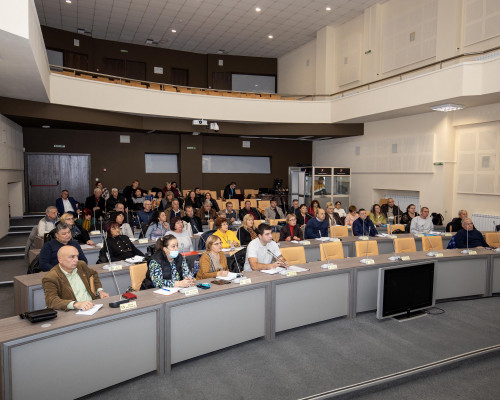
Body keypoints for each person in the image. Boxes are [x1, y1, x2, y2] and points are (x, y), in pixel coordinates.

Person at [42, 246, 109, 311]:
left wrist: (100, 290)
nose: (76, 260)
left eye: (77, 256)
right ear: (60, 259)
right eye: (72, 257)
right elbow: (51, 301)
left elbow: (93, 274)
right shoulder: (51, 277)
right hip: (72, 311)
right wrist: (75, 304)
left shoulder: (81, 265)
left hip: (93, 306)